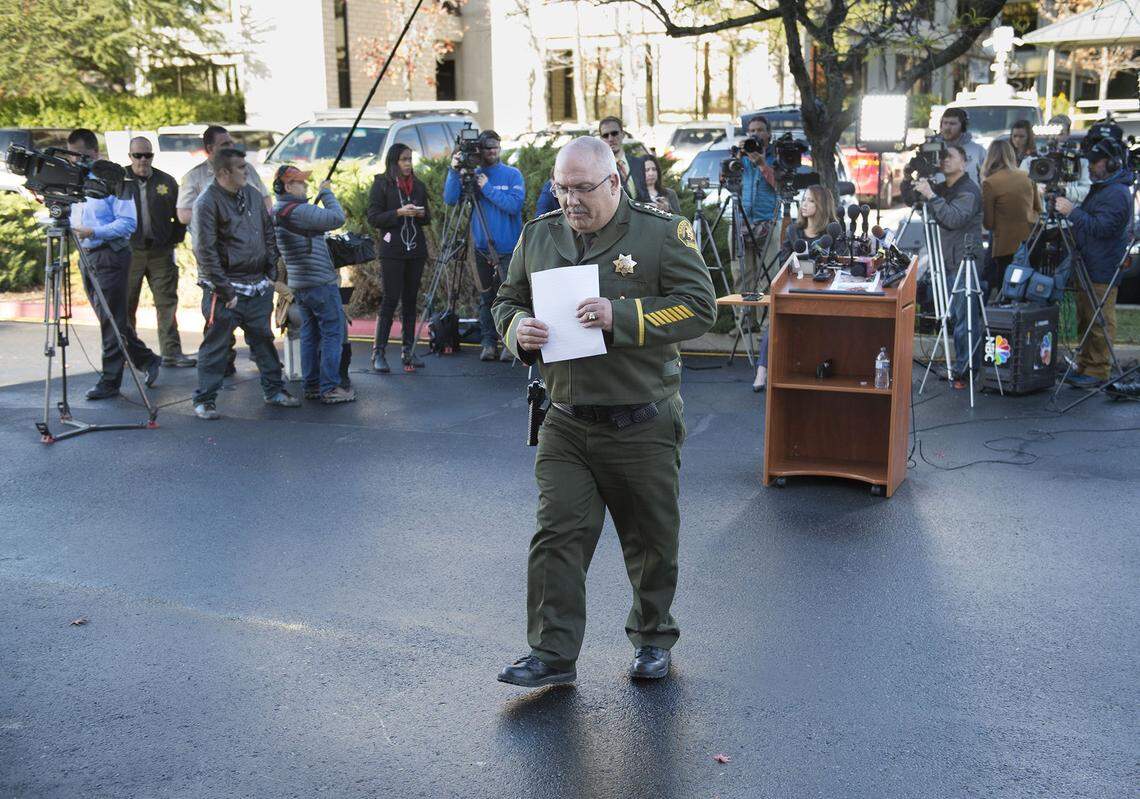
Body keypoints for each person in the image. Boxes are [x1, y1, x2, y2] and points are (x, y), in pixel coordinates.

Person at [491, 136, 717, 688]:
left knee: (650, 541)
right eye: (561, 189)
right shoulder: (539, 235)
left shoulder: (660, 234)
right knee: (557, 537)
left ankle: (653, 637)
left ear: (614, 181)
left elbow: (700, 307)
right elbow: (507, 298)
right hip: (566, 419)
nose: (571, 201)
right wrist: (516, 330)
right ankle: (552, 654)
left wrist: (622, 317)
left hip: (641, 419)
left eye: (583, 189)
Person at [190, 148, 300, 420]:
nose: (246, 171)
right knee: (216, 345)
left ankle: (274, 390)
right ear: (224, 172)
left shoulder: (251, 194)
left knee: (263, 340)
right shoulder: (207, 202)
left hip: (256, 285)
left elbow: (268, 232)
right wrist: (225, 289)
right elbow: (205, 250)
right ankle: (205, 400)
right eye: (240, 167)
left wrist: (270, 271)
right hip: (225, 289)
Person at [65, 128, 161, 400]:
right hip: (87, 255)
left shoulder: (116, 180)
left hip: (110, 254)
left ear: (95, 152)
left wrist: (95, 233)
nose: (76, 161)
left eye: (81, 155)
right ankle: (146, 359)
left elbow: (128, 223)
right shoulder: (75, 180)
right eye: (72, 156)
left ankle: (111, 381)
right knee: (110, 319)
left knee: (111, 320)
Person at [177, 125, 272, 382]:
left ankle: (269, 377)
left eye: (231, 142)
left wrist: (270, 265)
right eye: (224, 145)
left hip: (251, 263)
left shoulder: (247, 171)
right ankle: (219, 370)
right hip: (219, 261)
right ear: (210, 149)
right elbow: (184, 214)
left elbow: (265, 202)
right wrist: (220, 215)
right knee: (220, 323)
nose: (230, 148)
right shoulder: (196, 179)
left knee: (260, 326)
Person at [272, 164, 355, 404]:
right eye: (300, 182)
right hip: (320, 282)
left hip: (300, 284)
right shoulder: (298, 211)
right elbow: (337, 218)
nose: (306, 185)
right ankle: (330, 388)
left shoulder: (280, 210)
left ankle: (312, 385)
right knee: (332, 332)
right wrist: (326, 193)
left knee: (310, 333)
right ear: (288, 186)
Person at [1055, 136, 1132, 386]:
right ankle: (1086, 364)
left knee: (1099, 319)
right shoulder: (1103, 188)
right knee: (1085, 317)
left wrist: (1072, 212)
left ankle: (1098, 370)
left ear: (1111, 163)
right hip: (1088, 261)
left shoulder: (1117, 193)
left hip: (1103, 265)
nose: (1090, 166)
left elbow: (1103, 228)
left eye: (1096, 162)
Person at [443, 129, 525, 362]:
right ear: (479, 149)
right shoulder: (473, 174)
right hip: (480, 248)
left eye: (495, 146)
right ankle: (488, 343)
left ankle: (509, 343)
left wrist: (487, 188)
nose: (492, 151)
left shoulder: (512, 174)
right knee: (486, 298)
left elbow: (514, 206)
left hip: (508, 248)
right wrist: (454, 169)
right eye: (487, 147)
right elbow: (450, 200)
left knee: (510, 298)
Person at [752, 184, 840, 392]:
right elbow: (784, 262)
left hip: (823, 293)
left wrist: (805, 265)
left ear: (821, 205)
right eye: (804, 199)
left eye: (810, 200)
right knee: (774, 321)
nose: (804, 204)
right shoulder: (793, 230)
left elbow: (837, 263)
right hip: (795, 289)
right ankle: (761, 372)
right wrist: (802, 265)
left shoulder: (832, 231)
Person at [914, 144, 985, 389]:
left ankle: (966, 370)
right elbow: (910, 197)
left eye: (950, 156)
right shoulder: (945, 187)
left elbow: (954, 218)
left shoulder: (969, 191)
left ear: (964, 162)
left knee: (965, 318)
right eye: (942, 156)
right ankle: (961, 365)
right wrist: (914, 174)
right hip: (947, 259)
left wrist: (932, 196)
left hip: (965, 261)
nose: (944, 160)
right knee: (956, 315)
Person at [122, 136, 194, 368]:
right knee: (126, 303)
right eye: (137, 155)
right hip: (130, 252)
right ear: (130, 156)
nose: (143, 160)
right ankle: (128, 354)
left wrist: (175, 237)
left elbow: (180, 212)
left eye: (147, 155)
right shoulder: (120, 180)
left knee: (167, 303)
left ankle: (172, 352)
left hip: (160, 251)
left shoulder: (166, 181)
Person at [367, 143, 431, 373]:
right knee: (390, 299)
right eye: (404, 159)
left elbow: (427, 219)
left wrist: (421, 213)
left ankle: (408, 350)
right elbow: (373, 217)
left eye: (410, 159)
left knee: (410, 301)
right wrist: (398, 213)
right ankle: (379, 352)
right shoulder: (382, 184)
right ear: (394, 161)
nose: (408, 164)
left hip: (415, 250)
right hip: (392, 250)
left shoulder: (418, 186)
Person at [981, 139, 1041, 296]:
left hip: (1005, 245)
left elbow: (988, 223)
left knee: (1007, 291)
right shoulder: (1028, 176)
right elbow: (1038, 209)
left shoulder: (990, 183)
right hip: (1031, 242)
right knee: (1028, 291)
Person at [736, 114, 781, 323]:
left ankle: (766, 327)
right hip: (742, 221)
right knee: (743, 276)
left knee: (768, 276)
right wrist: (737, 155)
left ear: (769, 135)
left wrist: (763, 164)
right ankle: (745, 323)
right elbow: (727, 178)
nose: (755, 134)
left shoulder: (777, 157)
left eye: (759, 130)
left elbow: (780, 185)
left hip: (767, 222)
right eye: (751, 131)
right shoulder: (742, 156)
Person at [597, 116, 649, 202]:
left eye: (614, 133)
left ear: (623, 134)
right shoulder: (599, 169)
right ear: (601, 139)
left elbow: (649, 193)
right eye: (605, 135)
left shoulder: (639, 163)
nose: (610, 139)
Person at [1048, 113, 1093, 203]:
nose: (1055, 138)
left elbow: (1087, 192)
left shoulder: (1079, 160)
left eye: (1060, 134)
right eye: (1051, 133)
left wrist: (1065, 191)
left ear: (1068, 134)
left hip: (1069, 212)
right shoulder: (1034, 158)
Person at [938, 108, 986, 186]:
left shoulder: (978, 150)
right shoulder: (932, 148)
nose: (947, 128)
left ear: (963, 126)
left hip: (969, 196)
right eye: (945, 123)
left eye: (952, 124)